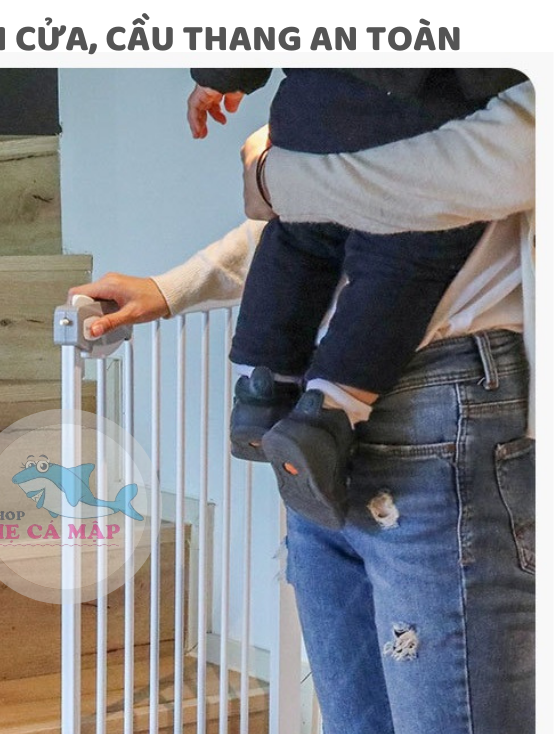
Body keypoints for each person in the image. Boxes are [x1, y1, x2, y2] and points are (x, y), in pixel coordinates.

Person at [70, 78, 535, 734]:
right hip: (322, 407)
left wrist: (278, 177)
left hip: (443, 398)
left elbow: (473, 170)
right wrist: (179, 285)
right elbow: (336, 207)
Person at [183, 68, 526, 530]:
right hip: (407, 121)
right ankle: (327, 414)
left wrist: (219, 77)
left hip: (305, 118)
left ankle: (260, 387)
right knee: (402, 258)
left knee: (297, 240)